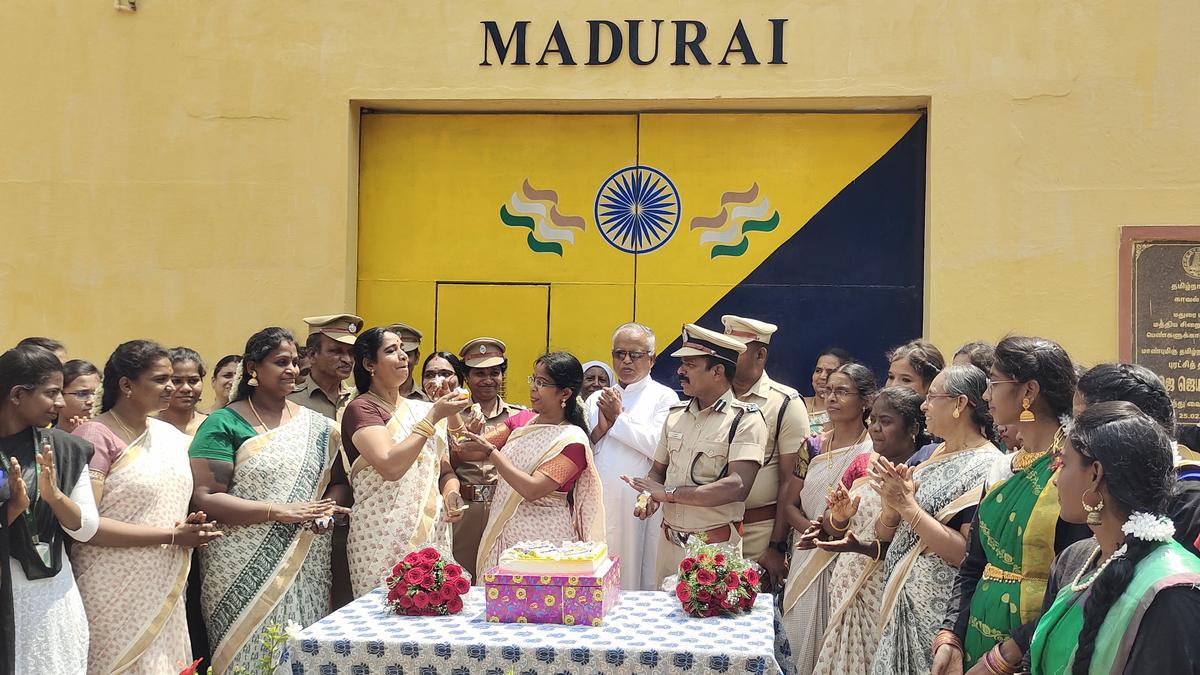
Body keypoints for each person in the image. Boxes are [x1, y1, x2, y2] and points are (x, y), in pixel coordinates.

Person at [188, 327, 350, 674]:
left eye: (294, 361)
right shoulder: (224, 423)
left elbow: (338, 484)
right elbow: (205, 497)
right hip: (237, 567)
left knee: (302, 654)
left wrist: (324, 511)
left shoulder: (320, 427)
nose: (291, 369)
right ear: (252, 368)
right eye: (280, 362)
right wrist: (278, 511)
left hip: (305, 561)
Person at [934, 336, 1088, 673]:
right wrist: (951, 635)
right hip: (979, 633)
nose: (985, 395)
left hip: (1032, 647)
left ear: (1028, 392)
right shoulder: (1003, 468)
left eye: (994, 383)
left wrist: (1006, 656)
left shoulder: (1072, 473)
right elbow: (974, 563)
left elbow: (1075, 585)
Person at [71, 340, 220, 674]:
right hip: (110, 585)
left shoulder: (170, 436)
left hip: (163, 581)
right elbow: (86, 525)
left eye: (172, 378)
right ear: (126, 385)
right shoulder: (96, 435)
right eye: (160, 379)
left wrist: (190, 526)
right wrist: (172, 535)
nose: (171, 387)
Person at [1027, 402, 1200, 674]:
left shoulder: (1172, 592)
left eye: (1064, 464)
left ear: (1095, 474)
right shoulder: (1076, 559)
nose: (1056, 480)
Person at [870, 365, 1003, 675]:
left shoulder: (989, 467)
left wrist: (909, 508)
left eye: (931, 397)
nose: (923, 406)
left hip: (941, 612)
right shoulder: (927, 456)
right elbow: (885, 534)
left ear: (960, 404)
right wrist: (891, 508)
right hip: (899, 601)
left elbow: (967, 554)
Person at [624, 323, 767, 587]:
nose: (680, 371)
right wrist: (648, 498)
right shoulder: (676, 416)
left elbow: (737, 486)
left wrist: (668, 494)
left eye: (689, 364)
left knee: (709, 615)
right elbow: (658, 471)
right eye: (682, 364)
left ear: (717, 371)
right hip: (669, 548)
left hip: (714, 553)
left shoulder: (745, 420)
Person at [342, 327, 471, 595]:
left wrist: (451, 494)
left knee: (431, 609)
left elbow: (445, 468)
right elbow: (390, 466)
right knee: (380, 612)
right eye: (391, 350)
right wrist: (433, 416)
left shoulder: (420, 409)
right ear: (369, 364)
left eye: (403, 349)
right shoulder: (361, 409)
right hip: (380, 536)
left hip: (430, 530)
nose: (403, 356)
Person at [809, 387, 927, 675]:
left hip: (890, 588)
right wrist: (839, 517)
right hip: (847, 583)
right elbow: (833, 527)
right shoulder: (864, 464)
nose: (875, 428)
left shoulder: (922, 473)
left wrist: (860, 546)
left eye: (885, 421)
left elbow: (911, 545)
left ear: (913, 428)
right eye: (872, 419)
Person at [0, 344, 99, 675]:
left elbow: (86, 529)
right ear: (17, 394)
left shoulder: (63, 449)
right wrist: (14, 508)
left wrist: (55, 496)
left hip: (52, 600)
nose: (60, 403)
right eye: (51, 393)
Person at [469, 352, 605, 573]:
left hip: (545, 545)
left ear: (565, 393)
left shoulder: (573, 443)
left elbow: (533, 489)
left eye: (542, 383)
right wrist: (460, 422)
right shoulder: (522, 421)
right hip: (504, 535)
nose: (533, 387)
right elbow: (470, 451)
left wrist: (492, 453)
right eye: (533, 379)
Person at [780, 362, 876, 675]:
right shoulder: (812, 446)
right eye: (829, 390)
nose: (831, 397)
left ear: (865, 401)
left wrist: (831, 533)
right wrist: (812, 531)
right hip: (807, 551)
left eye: (842, 392)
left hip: (849, 559)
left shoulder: (873, 450)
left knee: (836, 638)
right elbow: (789, 504)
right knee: (797, 632)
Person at [585, 323, 679, 591]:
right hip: (598, 499)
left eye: (635, 354)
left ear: (652, 359)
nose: (626, 360)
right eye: (620, 354)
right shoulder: (596, 399)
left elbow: (659, 447)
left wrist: (618, 418)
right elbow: (586, 448)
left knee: (638, 573)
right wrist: (600, 431)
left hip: (637, 501)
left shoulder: (664, 397)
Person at [722, 315, 812, 590]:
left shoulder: (785, 403)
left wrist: (776, 545)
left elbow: (791, 480)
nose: (726, 358)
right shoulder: (714, 396)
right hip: (715, 530)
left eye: (735, 351)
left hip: (759, 534)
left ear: (760, 355)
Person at [450, 337, 525, 580]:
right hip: (464, 509)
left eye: (495, 372)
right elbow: (444, 465)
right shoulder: (451, 415)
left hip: (503, 508)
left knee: (503, 577)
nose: (488, 380)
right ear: (466, 376)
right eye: (479, 373)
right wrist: (464, 438)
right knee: (460, 578)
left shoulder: (518, 417)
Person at [288, 313, 361, 421]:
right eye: (336, 351)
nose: (348, 359)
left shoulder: (359, 398)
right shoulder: (290, 401)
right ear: (312, 354)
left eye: (351, 352)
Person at [157, 347, 209, 436]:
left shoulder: (213, 427)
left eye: (193, 381)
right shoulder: (147, 428)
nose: (186, 388)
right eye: (176, 381)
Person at [804, 348, 854, 434]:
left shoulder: (847, 412)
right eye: (818, 371)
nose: (822, 376)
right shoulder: (799, 404)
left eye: (830, 372)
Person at [56, 359, 100, 433]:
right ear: (60, 395)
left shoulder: (108, 434)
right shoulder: (43, 437)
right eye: (82, 394)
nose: (91, 401)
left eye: (96, 393)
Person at [389, 323, 428, 402]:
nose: (401, 358)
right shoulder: (369, 397)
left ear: (417, 358)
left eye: (407, 354)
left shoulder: (427, 399)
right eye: (393, 353)